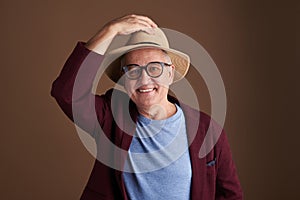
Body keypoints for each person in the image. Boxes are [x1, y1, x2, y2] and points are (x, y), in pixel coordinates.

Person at [51, 14, 243, 200]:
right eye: (133, 70)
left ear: (170, 73)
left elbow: (230, 195)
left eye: (154, 68)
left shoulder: (207, 129)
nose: (144, 80)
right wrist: (111, 30)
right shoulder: (111, 116)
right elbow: (66, 93)